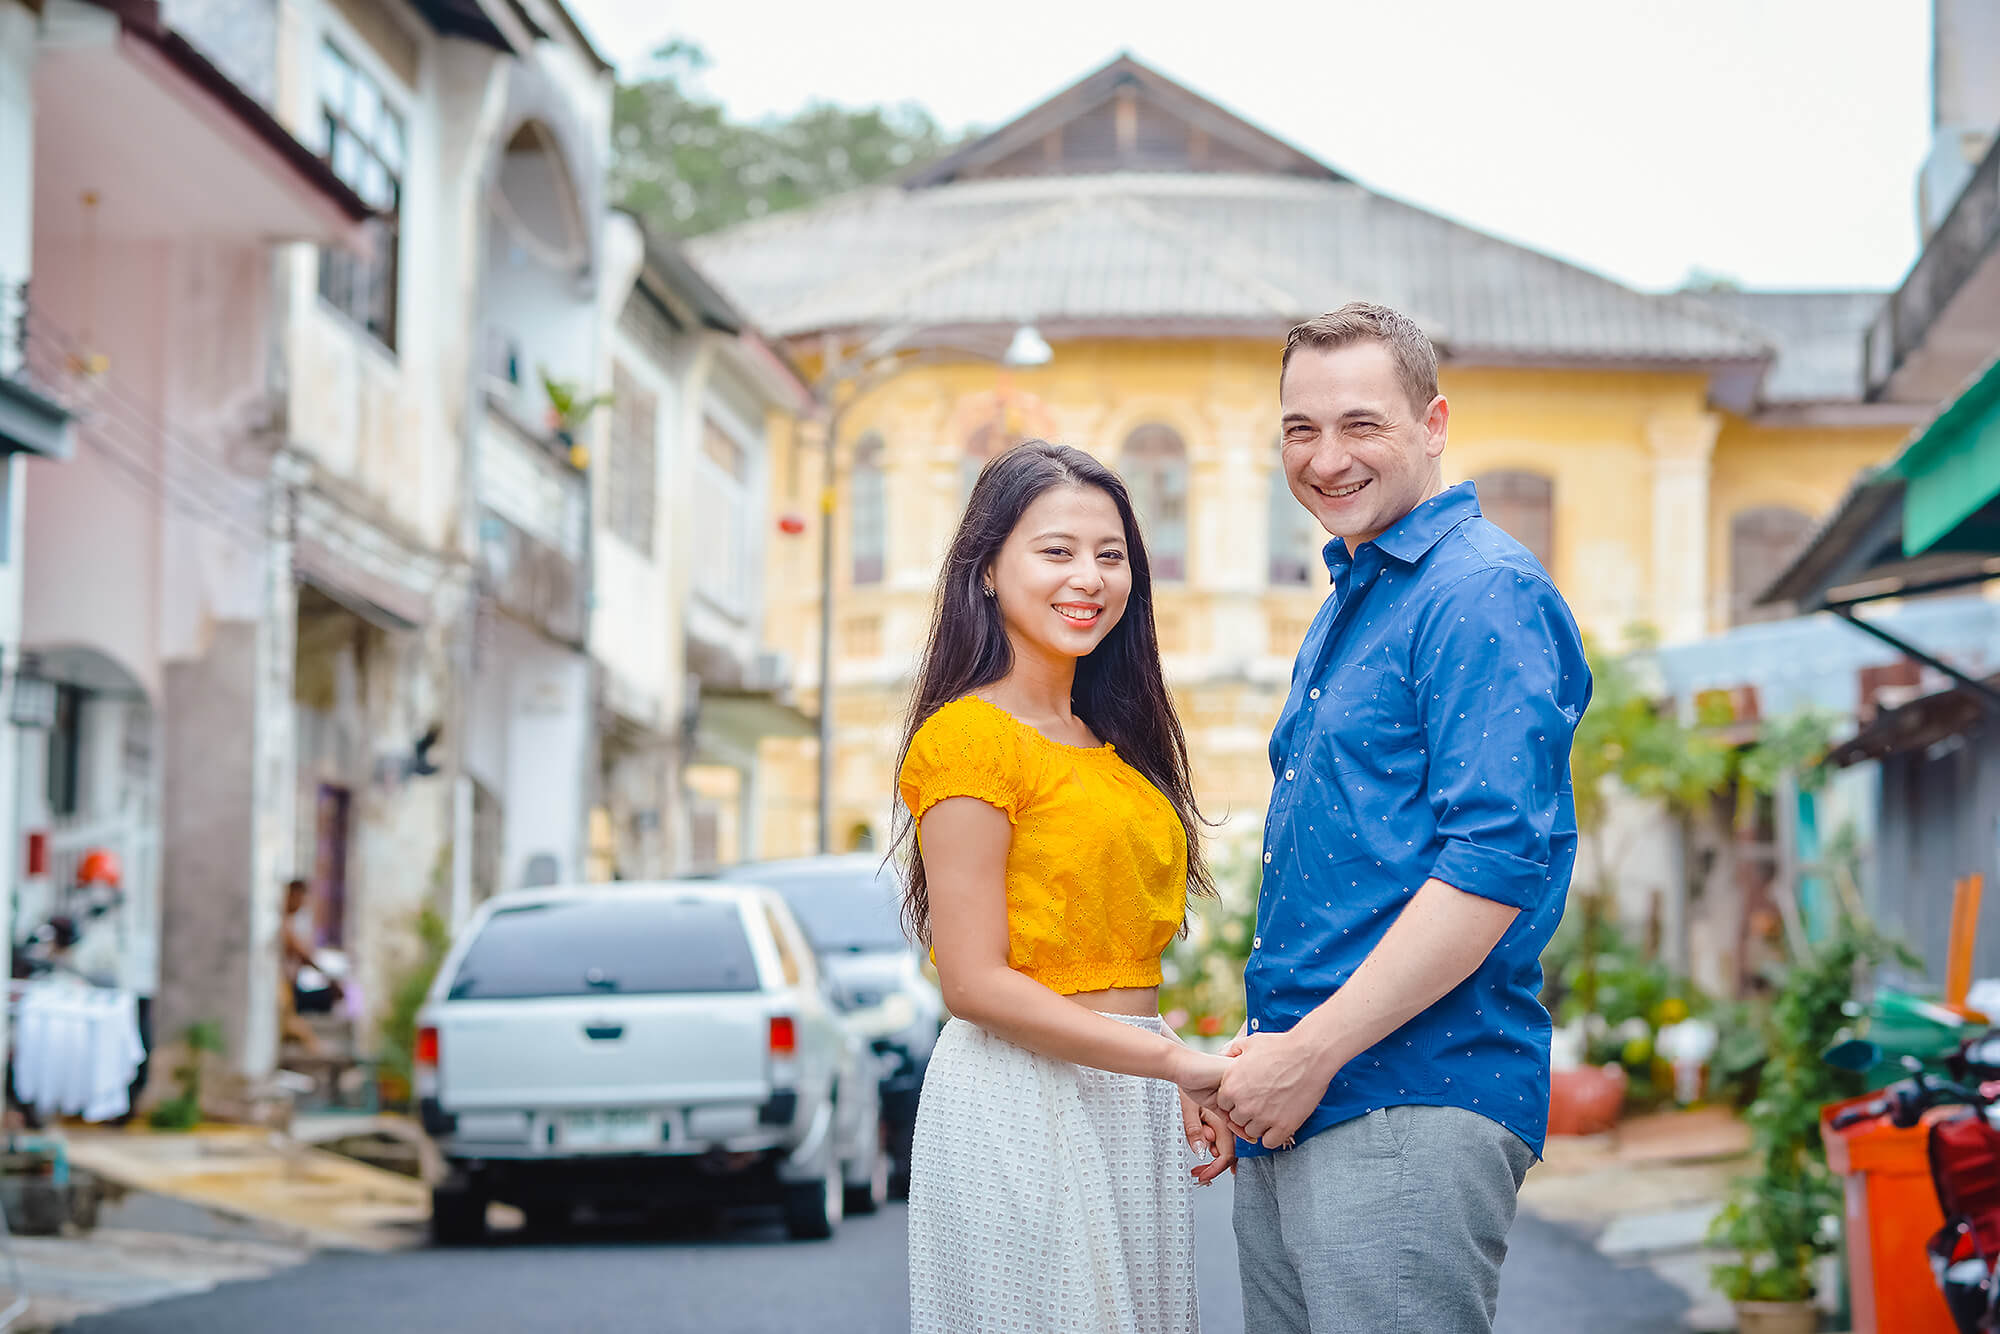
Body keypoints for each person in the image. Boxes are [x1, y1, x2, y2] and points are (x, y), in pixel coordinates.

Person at [1215, 303, 1592, 1334]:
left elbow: (1490, 863)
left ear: (1430, 423)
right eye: (1300, 428)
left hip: (1404, 1095)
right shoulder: (1357, 593)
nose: (1325, 457)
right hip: (1307, 1091)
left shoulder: (1476, 592)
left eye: (1359, 424)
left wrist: (1309, 1049)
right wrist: (1260, 1055)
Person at [894, 441, 1236, 1334]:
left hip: (1127, 1091)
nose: (1089, 577)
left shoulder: (1115, 741)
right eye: (1056, 551)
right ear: (986, 572)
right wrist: (1175, 1062)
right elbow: (972, 981)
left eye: (1111, 555)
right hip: (1020, 1099)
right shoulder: (969, 740)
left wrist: (1170, 1071)